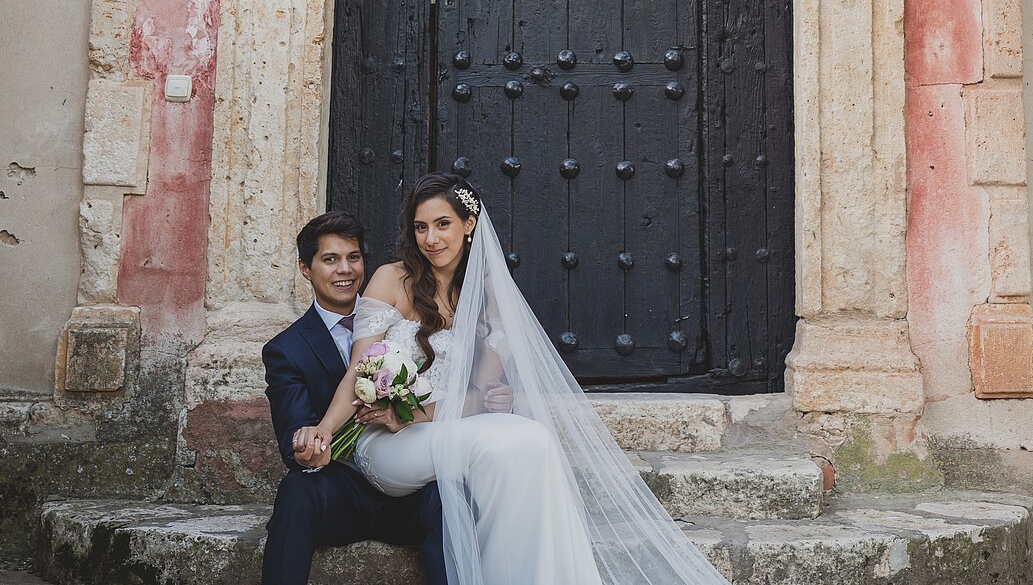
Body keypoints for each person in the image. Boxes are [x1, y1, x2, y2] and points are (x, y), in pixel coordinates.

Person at [298, 172, 730, 585]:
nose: (431, 239)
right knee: (512, 439)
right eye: (421, 227)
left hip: (436, 427)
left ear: (469, 225)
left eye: (443, 224)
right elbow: (359, 368)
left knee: (531, 439)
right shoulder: (392, 279)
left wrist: (417, 414)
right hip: (388, 447)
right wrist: (325, 430)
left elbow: (482, 399)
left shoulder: (489, 294)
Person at [258, 211, 449, 585]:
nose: (345, 270)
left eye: (354, 257)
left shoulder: (404, 316)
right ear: (304, 268)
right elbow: (295, 430)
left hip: (408, 490)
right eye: (330, 260)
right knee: (297, 490)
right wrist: (307, 445)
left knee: (450, 499)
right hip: (342, 489)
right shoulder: (285, 350)